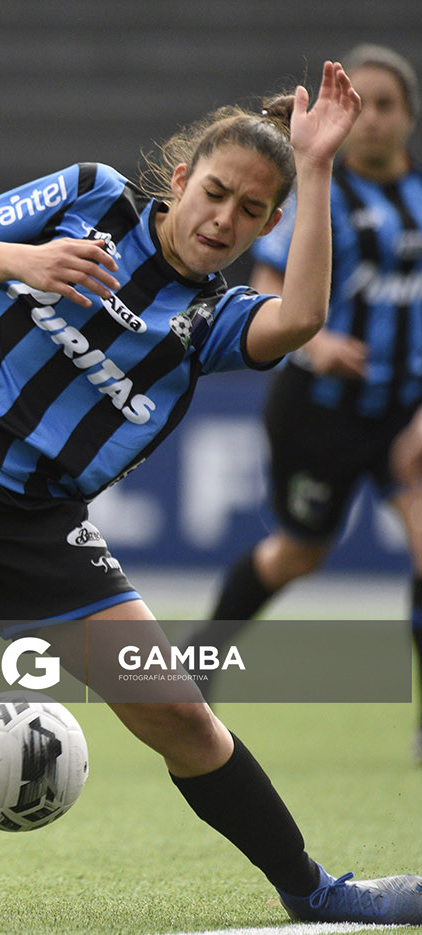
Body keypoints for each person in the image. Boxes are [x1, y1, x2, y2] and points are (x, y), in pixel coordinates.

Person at [0, 63, 422, 932]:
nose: (225, 220)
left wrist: (318, 168)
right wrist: (26, 260)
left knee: (178, 710)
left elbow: (298, 319)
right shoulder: (90, 196)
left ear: (270, 220)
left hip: (33, 515)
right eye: (215, 192)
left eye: (252, 210)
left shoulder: (212, 320)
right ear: (181, 179)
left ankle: (315, 891)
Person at [185, 45, 422, 758]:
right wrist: (315, 346)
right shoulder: (323, 198)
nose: (374, 119)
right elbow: (266, 290)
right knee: (297, 555)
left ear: (408, 117)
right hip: (318, 412)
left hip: (404, 411)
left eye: (388, 105)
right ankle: (199, 664)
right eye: (365, 104)